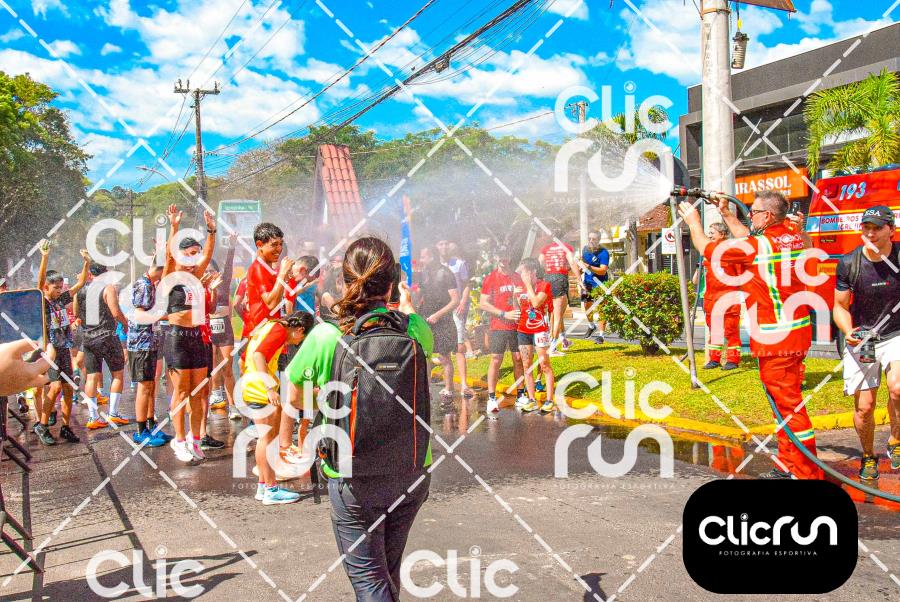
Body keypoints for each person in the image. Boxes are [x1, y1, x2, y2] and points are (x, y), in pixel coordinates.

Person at [286, 236, 433, 600]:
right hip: (412, 469)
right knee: (387, 573)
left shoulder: (326, 336)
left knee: (370, 581)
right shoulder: (414, 329)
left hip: (352, 476)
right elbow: (418, 334)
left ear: (344, 281)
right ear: (392, 284)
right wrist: (409, 308)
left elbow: (295, 396)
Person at [679, 191, 822, 480]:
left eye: (754, 212)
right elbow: (749, 239)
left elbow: (708, 249)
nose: (750, 216)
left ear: (767, 216)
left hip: (776, 340)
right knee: (782, 405)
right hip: (795, 334)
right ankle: (788, 464)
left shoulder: (760, 245)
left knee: (789, 408)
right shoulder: (789, 236)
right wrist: (726, 214)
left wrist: (693, 222)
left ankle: (806, 472)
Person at [833, 205, 900, 481]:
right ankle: (869, 455)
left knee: (898, 388)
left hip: (896, 334)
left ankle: (896, 440)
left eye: (877, 228)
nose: (870, 234)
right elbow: (839, 306)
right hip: (864, 338)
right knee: (865, 407)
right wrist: (848, 330)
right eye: (866, 228)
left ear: (891, 230)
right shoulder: (850, 263)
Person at [161, 204, 217, 463]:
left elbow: (208, 254)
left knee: (198, 392)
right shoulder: (171, 277)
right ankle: (179, 440)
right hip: (177, 339)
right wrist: (174, 227)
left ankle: (195, 440)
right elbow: (169, 257)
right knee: (181, 393)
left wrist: (212, 231)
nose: (195, 259)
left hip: (197, 339)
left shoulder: (196, 276)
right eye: (190, 254)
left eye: (197, 254)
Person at [240, 311, 314, 504]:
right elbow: (258, 355)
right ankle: (271, 490)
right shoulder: (280, 329)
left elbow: (244, 357)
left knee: (265, 439)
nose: (296, 343)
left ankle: (263, 487)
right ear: (300, 329)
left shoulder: (269, 325)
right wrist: (269, 389)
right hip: (260, 390)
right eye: (300, 339)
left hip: (251, 386)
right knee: (268, 440)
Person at [34, 241, 90, 445]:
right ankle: (42, 425)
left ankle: (66, 427)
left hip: (64, 348)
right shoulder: (43, 301)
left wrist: (86, 263)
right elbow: (39, 283)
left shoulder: (60, 300)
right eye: (55, 288)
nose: (59, 290)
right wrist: (44, 257)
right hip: (50, 351)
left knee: (68, 388)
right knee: (55, 387)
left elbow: (80, 284)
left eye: (60, 287)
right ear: (47, 288)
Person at [77, 262, 130, 429]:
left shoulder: (81, 291)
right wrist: (125, 323)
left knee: (91, 376)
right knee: (118, 374)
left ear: (90, 274)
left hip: (88, 337)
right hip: (107, 336)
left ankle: (93, 417)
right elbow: (115, 312)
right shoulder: (108, 288)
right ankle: (113, 414)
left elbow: (77, 313)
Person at [479, 246, 525, 413]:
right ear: (496, 258)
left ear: (510, 257)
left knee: (518, 358)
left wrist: (518, 303)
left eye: (505, 255)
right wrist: (504, 314)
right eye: (500, 256)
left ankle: (521, 395)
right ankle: (492, 398)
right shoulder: (490, 278)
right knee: (496, 359)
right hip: (498, 325)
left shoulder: (517, 277)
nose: (503, 259)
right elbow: (483, 303)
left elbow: (523, 299)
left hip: (516, 326)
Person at [692, 222, 742, 371]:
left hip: (728, 298)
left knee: (731, 331)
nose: (709, 235)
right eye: (709, 232)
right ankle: (714, 359)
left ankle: (733, 360)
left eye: (712, 232)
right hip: (711, 298)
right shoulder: (708, 253)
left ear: (722, 234)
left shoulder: (732, 251)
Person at [418, 246, 460, 401]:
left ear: (432, 257)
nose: (421, 260)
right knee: (425, 355)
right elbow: (422, 295)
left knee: (444, 356)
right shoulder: (424, 273)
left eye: (423, 257)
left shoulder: (446, 273)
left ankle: (449, 389)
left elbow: (455, 300)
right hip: (425, 318)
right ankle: (426, 389)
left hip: (443, 320)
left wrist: (438, 315)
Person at [240, 223, 295, 339]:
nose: (279, 249)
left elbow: (276, 304)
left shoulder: (268, 270)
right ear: (259, 245)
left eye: (280, 244)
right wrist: (282, 274)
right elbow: (271, 304)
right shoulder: (259, 268)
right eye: (274, 245)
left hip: (269, 332)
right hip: (262, 336)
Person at [515, 257, 555, 413]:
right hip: (523, 329)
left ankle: (549, 400)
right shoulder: (521, 287)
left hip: (539, 330)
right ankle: (531, 399)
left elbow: (537, 303)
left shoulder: (544, 285)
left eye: (524, 272)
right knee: (527, 365)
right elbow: (519, 308)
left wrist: (527, 286)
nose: (521, 275)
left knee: (544, 364)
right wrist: (514, 296)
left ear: (533, 272)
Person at [438, 240, 475, 397]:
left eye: (446, 244)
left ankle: (464, 385)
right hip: (441, 309)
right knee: (443, 347)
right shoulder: (435, 266)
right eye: (441, 244)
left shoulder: (459, 264)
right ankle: (449, 385)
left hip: (456, 308)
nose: (444, 247)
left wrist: (463, 301)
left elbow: (466, 284)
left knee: (459, 347)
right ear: (436, 247)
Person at [209, 236, 239, 420]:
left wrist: (232, 247)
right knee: (212, 367)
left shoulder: (224, 282)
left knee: (227, 367)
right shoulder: (201, 286)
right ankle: (216, 396)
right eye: (206, 271)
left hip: (225, 330)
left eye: (212, 271)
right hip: (209, 330)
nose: (210, 274)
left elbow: (228, 267)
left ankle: (233, 406)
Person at [539, 239, 584, 356]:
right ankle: (552, 348)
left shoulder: (546, 248)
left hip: (547, 278)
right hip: (560, 279)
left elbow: (540, 262)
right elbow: (572, 262)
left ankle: (564, 341)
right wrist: (579, 279)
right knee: (557, 315)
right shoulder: (566, 247)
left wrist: (547, 270)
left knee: (556, 313)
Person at [578, 231, 609, 343]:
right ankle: (591, 326)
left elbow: (603, 270)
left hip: (601, 284)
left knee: (601, 309)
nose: (591, 241)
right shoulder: (585, 249)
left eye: (594, 239)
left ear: (598, 240)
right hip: (587, 283)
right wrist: (579, 274)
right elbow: (582, 265)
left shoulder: (604, 252)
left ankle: (601, 336)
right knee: (587, 306)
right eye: (589, 238)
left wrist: (589, 267)